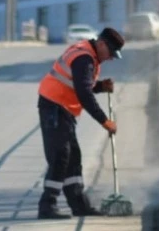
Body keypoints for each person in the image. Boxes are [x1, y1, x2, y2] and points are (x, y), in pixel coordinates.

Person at [36, 27, 125, 220]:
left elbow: (81, 84)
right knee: (61, 155)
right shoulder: (84, 58)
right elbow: (84, 94)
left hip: (62, 108)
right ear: (101, 44)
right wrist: (105, 121)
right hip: (53, 106)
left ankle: (79, 205)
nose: (110, 58)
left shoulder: (87, 54)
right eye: (110, 53)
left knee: (73, 157)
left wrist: (100, 86)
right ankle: (47, 205)